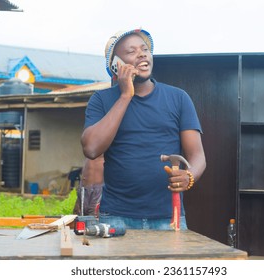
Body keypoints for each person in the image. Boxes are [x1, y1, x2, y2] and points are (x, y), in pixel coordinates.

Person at [81, 28, 206, 230]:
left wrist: (189, 175)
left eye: (145, 49)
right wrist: (125, 96)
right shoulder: (101, 100)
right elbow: (92, 149)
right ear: (116, 66)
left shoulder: (178, 98)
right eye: (131, 51)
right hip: (116, 217)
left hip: (169, 218)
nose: (142, 54)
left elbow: (198, 156)